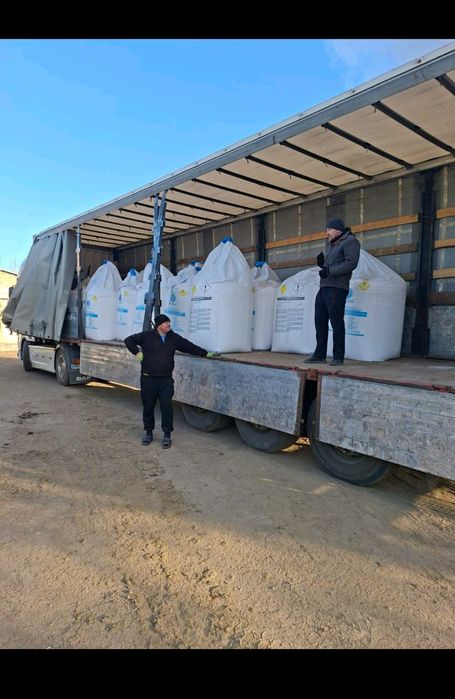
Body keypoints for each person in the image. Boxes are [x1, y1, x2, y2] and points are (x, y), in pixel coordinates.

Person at [124, 314, 218, 448]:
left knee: (166, 407)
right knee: (148, 407)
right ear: (159, 325)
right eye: (166, 322)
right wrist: (137, 353)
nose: (169, 324)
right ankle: (148, 433)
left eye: (169, 322)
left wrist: (204, 353)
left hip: (165, 380)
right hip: (148, 379)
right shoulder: (146, 336)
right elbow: (128, 340)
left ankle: (167, 435)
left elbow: (188, 346)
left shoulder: (173, 338)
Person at [306, 218, 360, 366]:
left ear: (337, 230)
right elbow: (332, 265)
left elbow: (351, 263)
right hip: (325, 286)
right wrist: (322, 265)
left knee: (336, 322)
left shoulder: (350, 241)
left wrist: (329, 271)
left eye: (329, 229)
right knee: (320, 320)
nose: (327, 233)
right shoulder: (333, 244)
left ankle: (338, 356)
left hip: (337, 288)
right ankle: (319, 355)